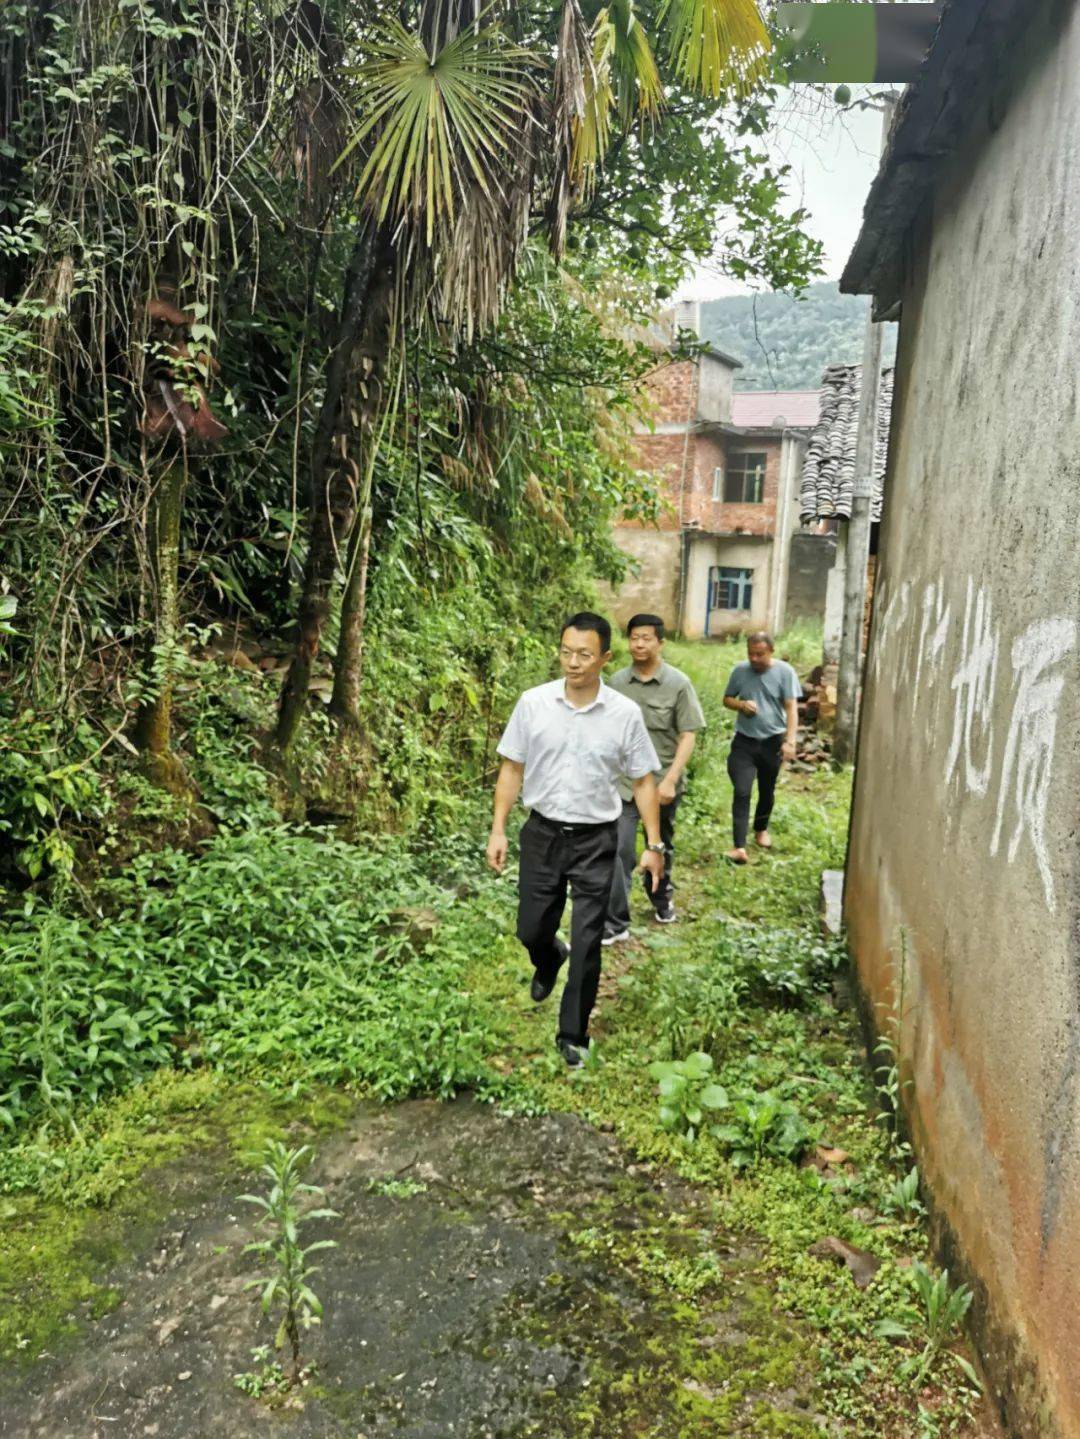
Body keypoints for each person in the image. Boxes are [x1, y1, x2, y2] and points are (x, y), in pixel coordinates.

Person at [486, 612, 666, 1068]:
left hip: (597, 841)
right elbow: (511, 767)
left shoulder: (624, 715)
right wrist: (498, 827)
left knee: (589, 941)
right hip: (542, 834)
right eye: (566, 651)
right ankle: (548, 958)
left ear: (605, 657)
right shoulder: (534, 703)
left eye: (584, 654)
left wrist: (654, 844)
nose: (573, 662)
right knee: (531, 927)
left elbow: (643, 781)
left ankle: (572, 1032)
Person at [602, 613, 706, 943]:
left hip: (660, 781)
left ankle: (660, 897)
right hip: (623, 784)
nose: (639, 644)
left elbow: (688, 735)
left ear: (661, 642)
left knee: (659, 845)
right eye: (634, 637)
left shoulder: (678, 684)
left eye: (646, 638)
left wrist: (671, 779)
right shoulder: (616, 683)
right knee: (618, 849)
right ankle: (615, 921)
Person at [722, 631, 800, 864]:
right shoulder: (740, 671)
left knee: (767, 790)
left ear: (771, 652)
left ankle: (761, 829)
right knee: (742, 791)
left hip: (772, 742)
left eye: (760, 654)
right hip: (744, 742)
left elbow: (791, 708)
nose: (754, 659)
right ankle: (738, 846)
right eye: (751, 654)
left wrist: (790, 741)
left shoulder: (785, 673)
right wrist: (741, 705)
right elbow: (726, 699)